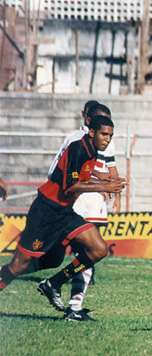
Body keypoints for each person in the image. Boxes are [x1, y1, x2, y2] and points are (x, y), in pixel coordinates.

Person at [0, 116, 126, 317]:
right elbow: (69, 185)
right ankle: (6, 275)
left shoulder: (92, 151)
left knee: (98, 249)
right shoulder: (78, 148)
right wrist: (105, 185)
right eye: (104, 134)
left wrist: (100, 177)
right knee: (19, 265)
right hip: (46, 212)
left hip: (65, 213)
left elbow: (76, 176)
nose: (107, 139)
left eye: (111, 135)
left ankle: (53, 284)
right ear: (91, 132)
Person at [42, 102, 121, 321]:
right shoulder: (83, 142)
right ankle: (63, 295)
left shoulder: (77, 138)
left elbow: (54, 171)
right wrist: (104, 186)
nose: (107, 136)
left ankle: (72, 305)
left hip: (76, 200)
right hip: (83, 199)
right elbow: (73, 176)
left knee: (60, 256)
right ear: (90, 123)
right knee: (87, 254)